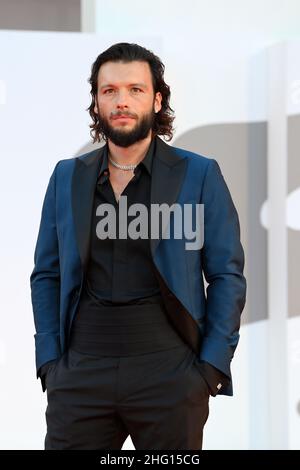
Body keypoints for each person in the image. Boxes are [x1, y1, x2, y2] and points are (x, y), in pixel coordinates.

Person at [30, 42, 246, 450]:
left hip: (170, 375)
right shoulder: (66, 177)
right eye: (109, 91)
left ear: (157, 98)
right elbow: (47, 273)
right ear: (96, 102)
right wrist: (50, 362)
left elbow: (226, 275)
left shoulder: (199, 174)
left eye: (135, 89)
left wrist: (210, 369)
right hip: (80, 376)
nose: (121, 101)